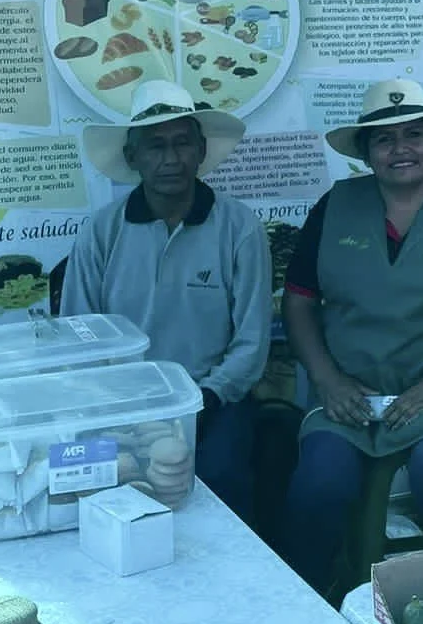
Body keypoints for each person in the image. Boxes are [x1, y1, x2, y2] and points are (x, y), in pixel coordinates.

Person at [281, 81, 423, 599]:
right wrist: (329, 381)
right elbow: (298, 303)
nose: (400, 149)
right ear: (365, 152)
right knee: (319, 480)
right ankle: (310, 600)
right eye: (384, 139)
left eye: (414, 134)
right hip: (347, 394)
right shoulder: (334, 206)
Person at [63, 80, 271, 523]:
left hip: (213, 400)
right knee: (87, 487)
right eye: (155, 146)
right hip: (119, 405)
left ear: (201, 150)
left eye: (182, 143)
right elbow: (79, 338)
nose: (171, 158)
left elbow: (252, 343)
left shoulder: (240, 227)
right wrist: (122, 411)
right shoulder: (102, 231)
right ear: (132, 156)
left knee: (223, 482)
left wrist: (203, 400)